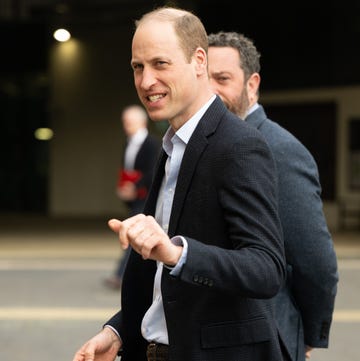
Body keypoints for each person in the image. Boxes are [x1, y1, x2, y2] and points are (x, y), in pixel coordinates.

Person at [73, 7, 288, 361]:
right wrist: (119, 331)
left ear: (199, 61)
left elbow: (266, 269)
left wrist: (176, 252)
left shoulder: (238, 145)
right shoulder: (171, 146)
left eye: (160, 64)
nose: (145, 81)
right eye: (138, 67)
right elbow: (164, 285)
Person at [207, 31, 339, 361]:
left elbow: (316, 263)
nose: (210, 90)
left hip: (268, 338)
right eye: (203, 78)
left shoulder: (279, 150)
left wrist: (305, 333)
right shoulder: (205, 145)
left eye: (222, 79)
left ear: (252, 85)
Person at [104, 104, 161, 290]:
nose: (126, 125)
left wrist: (135, 186)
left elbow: (152, 171)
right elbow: (127, 169)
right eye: (125, 121)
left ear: (142, 122)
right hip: (133, 197)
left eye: (130, 121)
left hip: (145, 196)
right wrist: (124, 188)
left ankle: (121, 275)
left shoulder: (152, 143)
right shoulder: (127, 143)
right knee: (135, 234)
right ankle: (131, 275)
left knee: (131, 234)